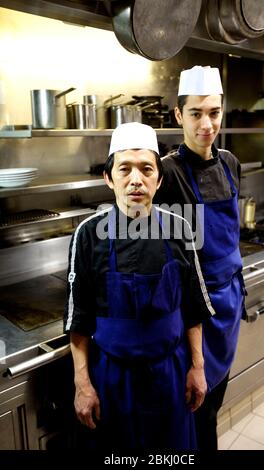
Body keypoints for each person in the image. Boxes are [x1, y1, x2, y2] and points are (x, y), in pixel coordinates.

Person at [63, 122, 216, 451]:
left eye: (147, 169)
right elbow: (79, 318)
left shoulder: (180, 227)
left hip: (170, 376)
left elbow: (193, 306)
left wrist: (197, 367)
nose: (136, 179)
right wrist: (82, 383)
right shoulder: (88, 235)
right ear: (109, 178)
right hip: (112, 381)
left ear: (159, 180)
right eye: (124, 169)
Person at [154, 65, 247, 451]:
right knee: (194, 411)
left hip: (229, 306)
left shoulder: (231, 163)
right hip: (195, 312)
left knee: (215, 402)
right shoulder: (168, 173)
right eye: (195, 113)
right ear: (179, 116)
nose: (206, 124)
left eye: (214, 112)